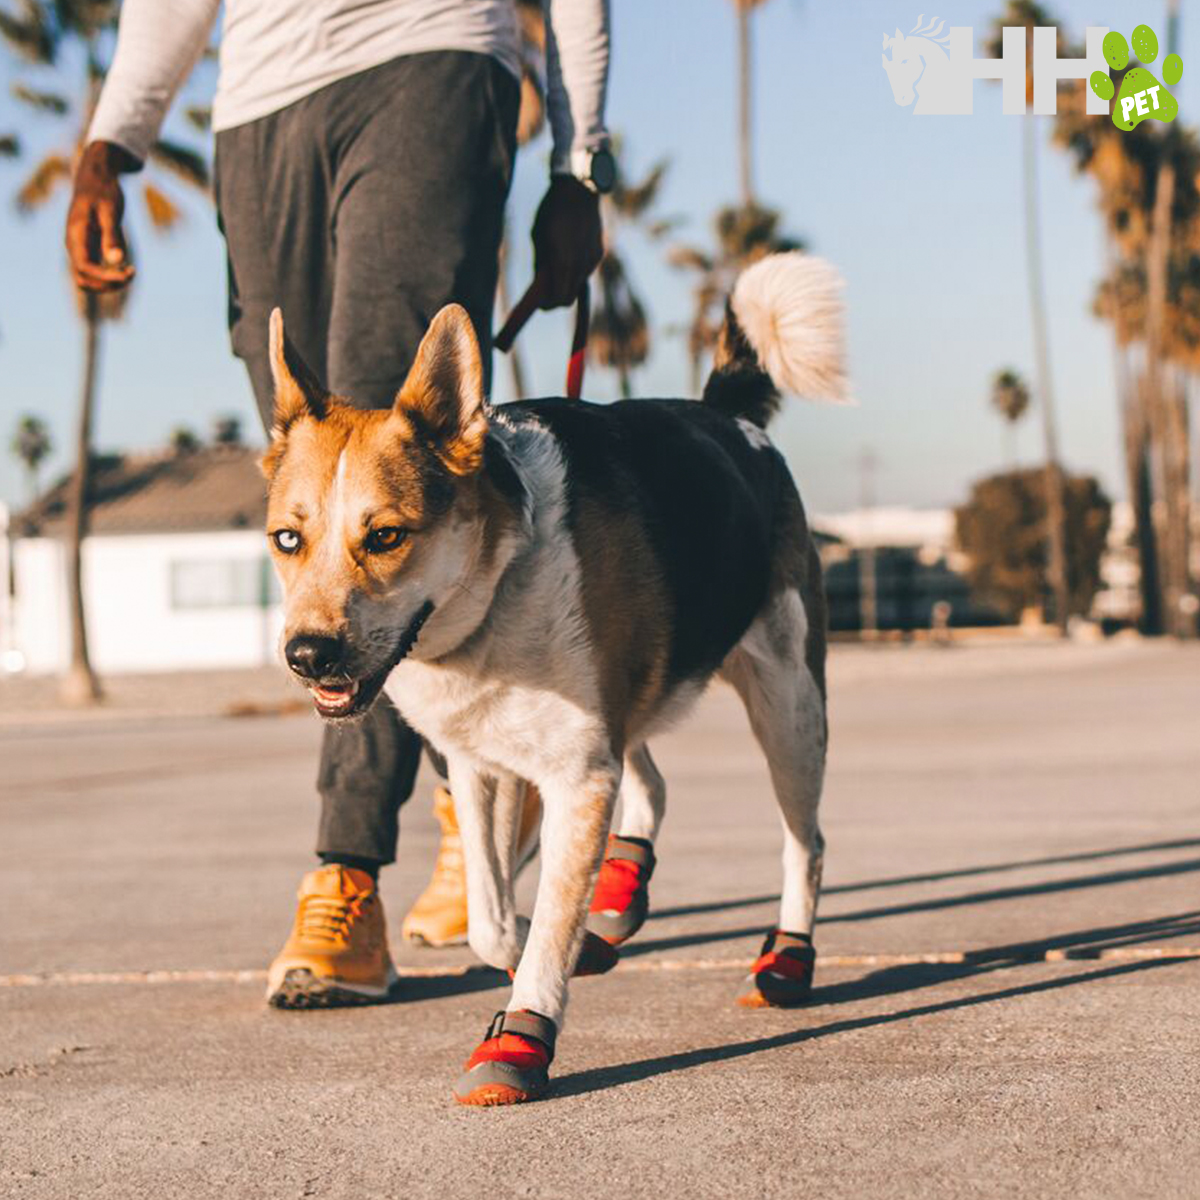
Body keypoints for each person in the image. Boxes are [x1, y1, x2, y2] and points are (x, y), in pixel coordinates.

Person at [66, 0, 613, 1007]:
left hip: (433, 55)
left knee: (389, 449)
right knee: (314, 469)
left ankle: (347, 873)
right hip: (260, 102)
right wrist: (114, 137)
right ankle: (471, 793)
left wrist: (579, 164)